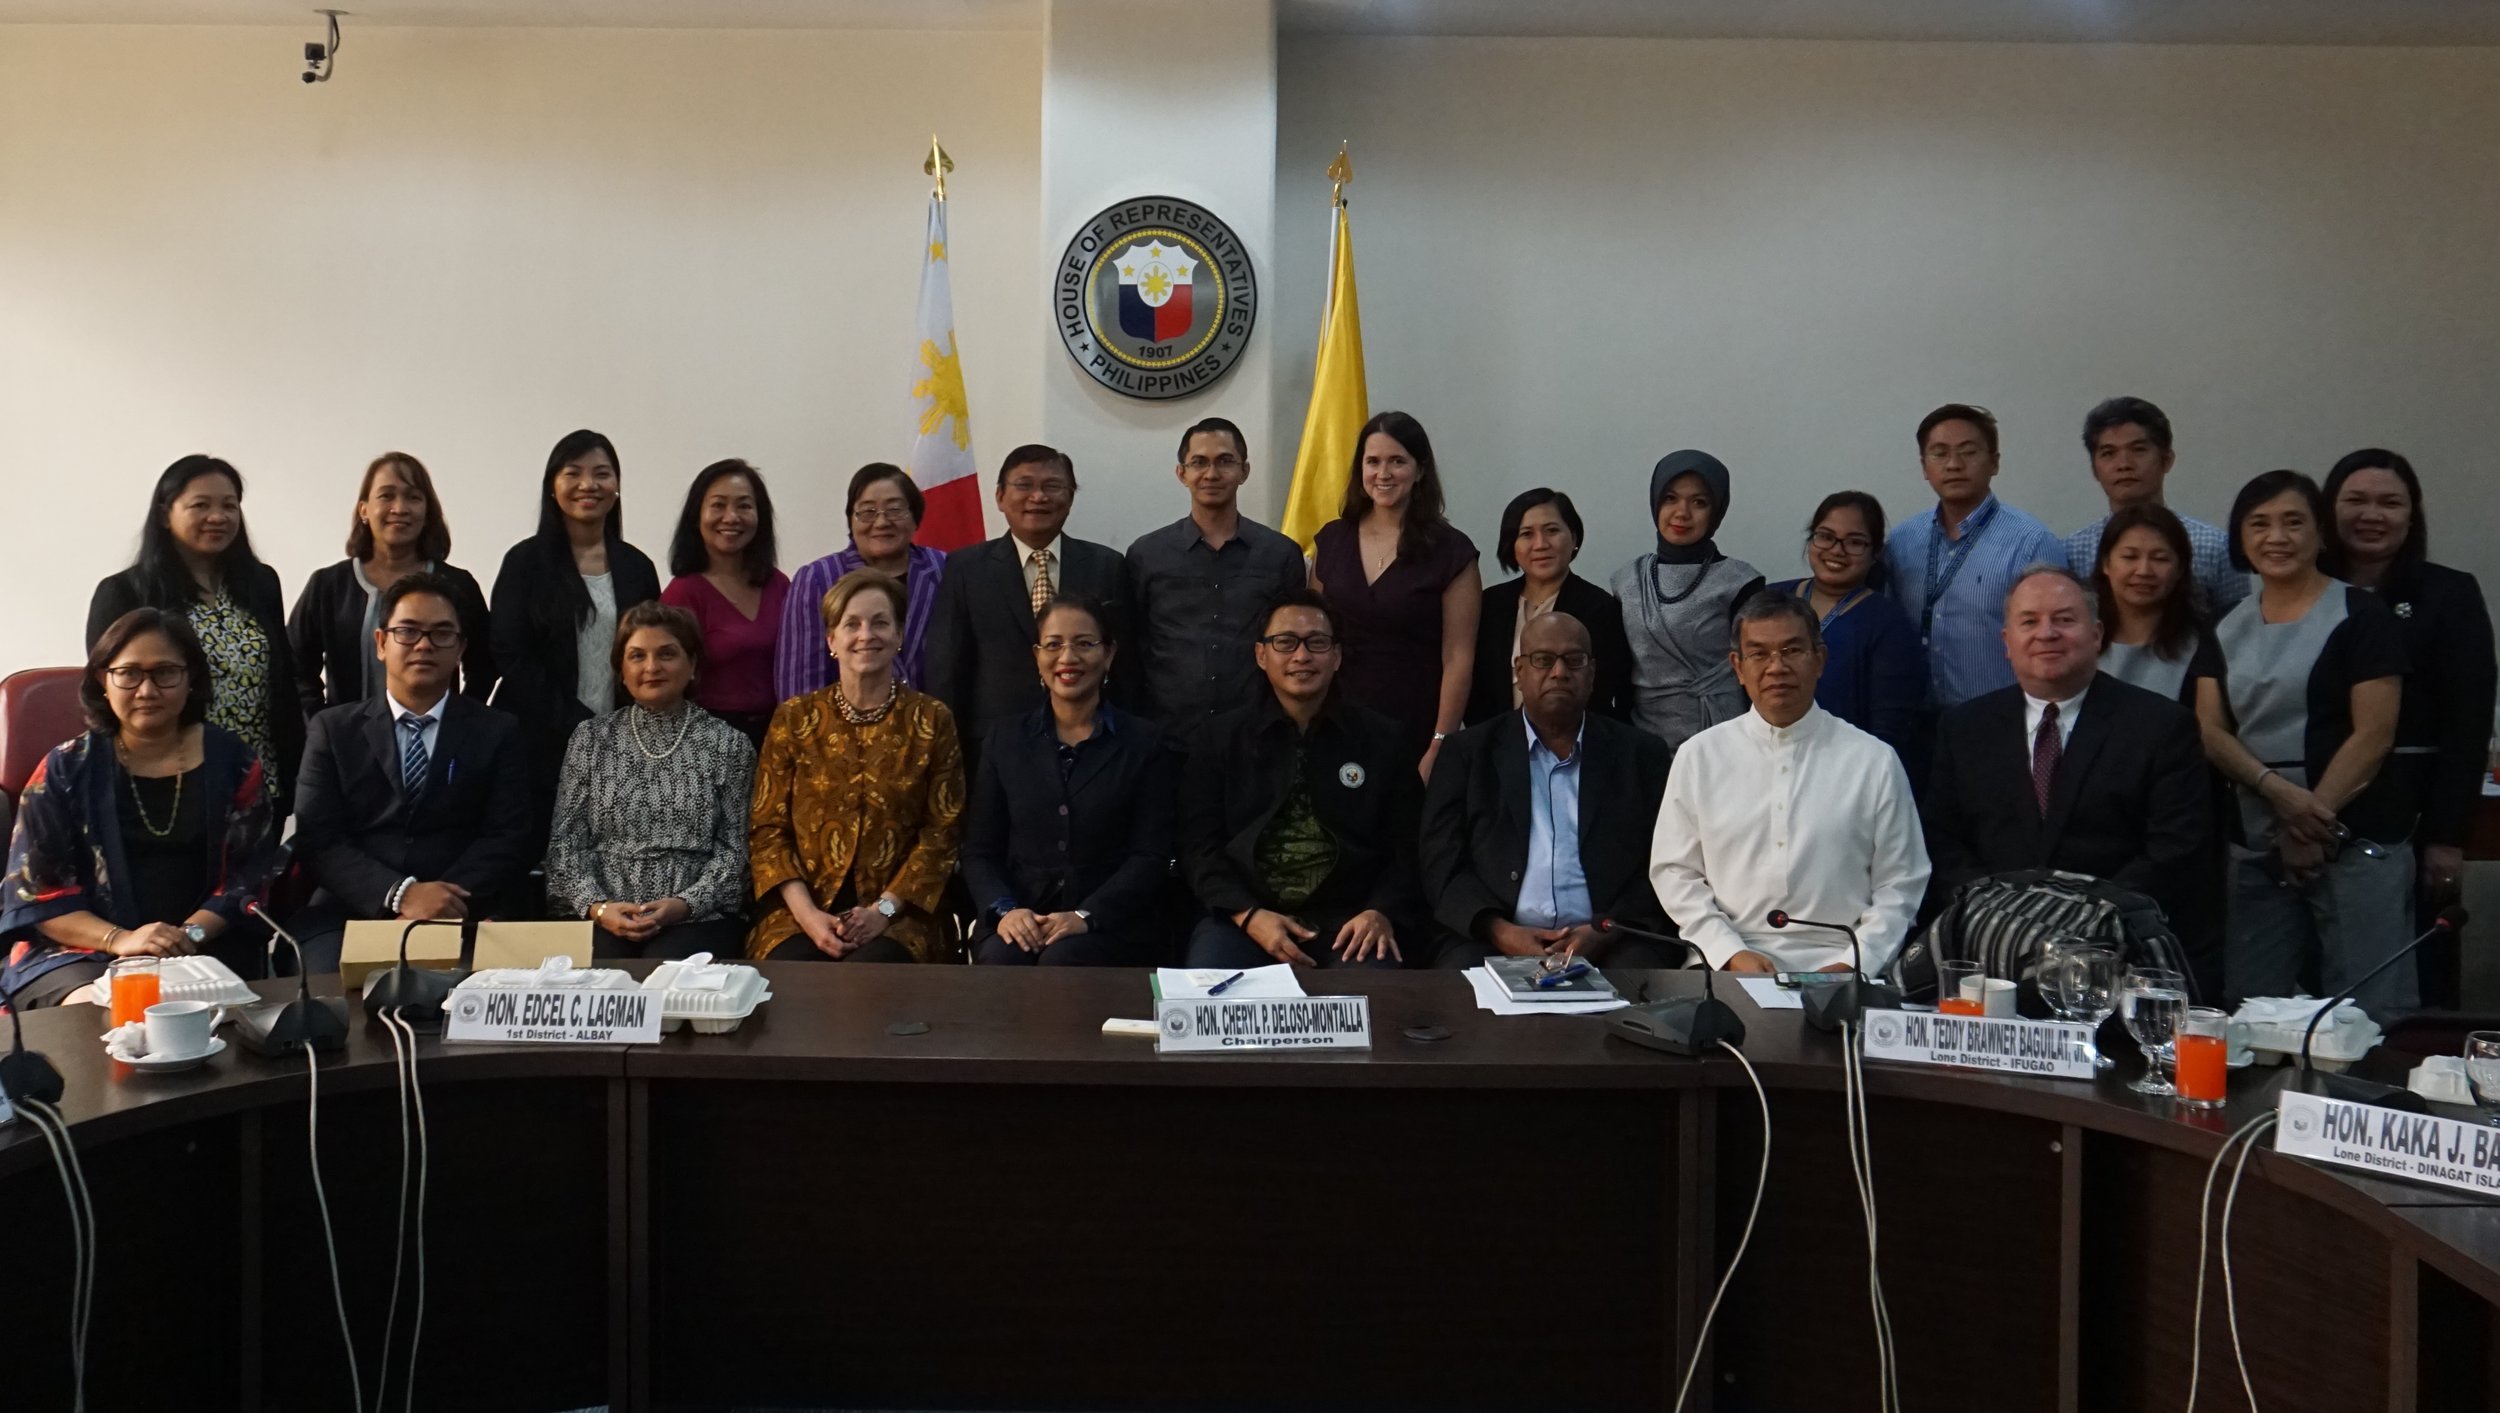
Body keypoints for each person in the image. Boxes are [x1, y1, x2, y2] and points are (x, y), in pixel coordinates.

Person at [1921, 567, 2214, 974]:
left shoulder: (2160, 726)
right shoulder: (1964, 728)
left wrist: (2083, 923)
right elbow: (1943, 841)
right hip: (1991, 952)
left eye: (2064, 619)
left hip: (2119, 955)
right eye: (2029, 621)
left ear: (2096, 634)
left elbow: (2175, 849)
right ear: (2007, 642)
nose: (2047, 633)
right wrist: (2003, 916)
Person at [2197, 470, 2412, 1013]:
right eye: (2260, 524)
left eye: (2294, 522)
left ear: (2320, 534)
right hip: (2257, 839)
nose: (2277, 537)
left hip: (2356, 833)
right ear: (2240, 539)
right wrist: (2280, 796)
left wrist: (2312, 820)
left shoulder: (2363, 616)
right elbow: (2210, 729)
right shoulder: (2224, 627)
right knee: (2252, 1006)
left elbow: (2375, 733)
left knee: (2366, 1010)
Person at [0, 611, 282, 1008]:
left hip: (201, 947)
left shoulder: (234, 762)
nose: (147, 690)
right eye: (129, 673)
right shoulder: (65, 768)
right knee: (105, 1010)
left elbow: (247, 880)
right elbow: (38, 894)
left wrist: (184, 937)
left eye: (165, 673)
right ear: (103, 681)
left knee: (208, 1015)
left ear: (191, 681)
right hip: (80, 952)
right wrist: (123, 941)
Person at [1649, 594, 1930, 974]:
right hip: (1726, 962)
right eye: (1759, 654)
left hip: (1841, 962)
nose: (1776, 667)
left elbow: (1902, 883)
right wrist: (1729, 952)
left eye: (1792, 650)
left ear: (1820, 659)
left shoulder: (1873, 761)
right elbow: (1674, 872)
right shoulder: (1699, 756)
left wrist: (1854, 962)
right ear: (1738, 666)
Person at [289, 572, 534, 971]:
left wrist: (443, 900)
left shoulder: (496, 730)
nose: (423, 645)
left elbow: (508, 834)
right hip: (354, 908)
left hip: (466, 907)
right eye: (408, 631)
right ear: (381, 643)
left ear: (460, 649)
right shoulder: (334, 730)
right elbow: (319, 838)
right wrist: (400, 894)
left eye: (441, 634)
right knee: (326, 994)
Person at [2323, 448, 2496, 1007]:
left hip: (2418, 809)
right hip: (2318, 805)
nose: (2372, 514)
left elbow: (2470, 720)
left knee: (2413, 970)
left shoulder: (2449, 594)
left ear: (2411, 515)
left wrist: (2448, 836)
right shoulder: (2304, 592)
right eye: (2356, 500)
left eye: (2389, 502)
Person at [1179, 588, 1426, 969]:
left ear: (1338, 656)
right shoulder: (1219, 739)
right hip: (1245, 919)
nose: (1301, 656)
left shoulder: (1383, 740)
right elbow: (1199, 847)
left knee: (1372, 1004)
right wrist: (1248, 915)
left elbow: (1409, 848)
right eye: (1285, 642)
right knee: (1210, 1003)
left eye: (1317, 642)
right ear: (1261, 655)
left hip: (1351, 921)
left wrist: (1381, 910)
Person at [1424, 612, 1678, 970]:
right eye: (1543, 660)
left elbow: (1665, 860)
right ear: (1519, 671)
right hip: (1490, 937)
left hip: (1613, 939)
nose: (1559, 672)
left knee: (1644, 988)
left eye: (1573, 661)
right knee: (1461, 987)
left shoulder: (1640, 754)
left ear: (1591, 673)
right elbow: (1440, 860)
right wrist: (1498, 930)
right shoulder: (1467, 753)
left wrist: (1606, 928)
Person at [747, 570, 964, 963]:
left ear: (899, 636)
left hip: (901, 915)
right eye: (852, 624)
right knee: (794, 971)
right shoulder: (794, 718)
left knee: (870, 975)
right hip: (801, 911)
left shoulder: (932, 719)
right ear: (832, 640)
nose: (867, 635)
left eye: (881, 622)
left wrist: (882, 912)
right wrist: (809, 917)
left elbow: (942, 833)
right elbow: (767, 832)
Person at [963, 598, 1176, 966]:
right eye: (1054, 644)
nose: (1068, 657)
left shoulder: (1145, 743)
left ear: (1108, 655)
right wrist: (1007, 911)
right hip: (1021, 914)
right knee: (1003, 958)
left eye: (1084, 643)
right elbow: (980, 852)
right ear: (1037, 655)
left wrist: (1086, 916)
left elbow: (1151, 856)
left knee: (1063, 960)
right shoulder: (1004, 740)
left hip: (1112, 922)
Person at [88, 455, 304, 816]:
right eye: (200, 505)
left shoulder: (261, 583)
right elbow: (106, 694)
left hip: (259, 778)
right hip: (168, 778)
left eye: (229, 506)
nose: (218, 517)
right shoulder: (125, 593)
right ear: (164, 515)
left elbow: (282, 683)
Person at [546, 603, 756, 961]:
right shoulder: (590, 739)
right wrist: (598, 907)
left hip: (697, 917)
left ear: (692, 665)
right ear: (622, 671)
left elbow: (736, 855)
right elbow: (564, 847)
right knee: (604, 978)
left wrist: (683, 905)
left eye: (667, 654)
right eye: (637, 656)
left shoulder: (728, 744)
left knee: (664, 975)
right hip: (601, 915)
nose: (652, 667)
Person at [489, 429, 662, 846]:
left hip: (624, 747)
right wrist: (577, 724)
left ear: (617, 487)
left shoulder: (636, 566)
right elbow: (510, 654)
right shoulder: (524, 562)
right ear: (553, 486)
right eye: (574, 473)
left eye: (602, 473)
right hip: (537, 743)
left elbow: (654, 652)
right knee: (536, 861)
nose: (589, 485)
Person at [1310, 411, 1481, 776]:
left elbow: (1458, 657)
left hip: (1414, 727)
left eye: (1397, 462)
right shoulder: (1332, 540)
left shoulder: (1452, 551)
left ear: (1420, 470)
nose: (1383, 474)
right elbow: (1313, 637)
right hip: (1335, 720)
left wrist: (1441, 741)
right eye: (1372, 462)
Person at [924, 445, 1129, 748]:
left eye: (1052, 486)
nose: (1038, 497)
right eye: (1024, 485)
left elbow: (1126, 664)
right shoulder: (966, 568)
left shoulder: (1107, 566)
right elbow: (947, 667)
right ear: (1000, 497)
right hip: (994, 743)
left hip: (1092, 740)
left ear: (1070, 498)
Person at [1123, 417, 1307, 733]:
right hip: (1167, 737)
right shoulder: (1146, 555)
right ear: (1182, 473)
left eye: (1225, 461)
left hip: (1256, 735)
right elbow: (1132, 647)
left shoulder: (1279, 554)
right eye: (1199, 463)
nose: (1211, 474)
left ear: (1244, 471)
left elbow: (1290, 645)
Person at [287, 451, 495, 717]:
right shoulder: (328, 586)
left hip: (436, 745)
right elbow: (296, 666)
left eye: (413, 497)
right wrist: (323, 723)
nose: (400, 508)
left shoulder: (457, 586)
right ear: (364, 509)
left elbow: (484, 667)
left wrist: (460, 721)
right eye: (386, 496)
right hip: (347, 748)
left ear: (427, 510)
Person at [1886, 403, 2065, 711]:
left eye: (1968, 452)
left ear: (1994, 462)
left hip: (2002, 720)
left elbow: (2056, 645)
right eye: (1940, 453)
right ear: (1924, 467)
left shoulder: (2032, 543)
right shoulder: (1903, 541)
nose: (1954, 464)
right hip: (1916, 722)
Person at [1611, 450, 1764, 750]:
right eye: (1670, 498)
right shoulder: (1627, 580)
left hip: (1725, 738)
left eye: (1699, 502)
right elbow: (1620, 674)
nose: (1682, 513)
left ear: (1717, 511)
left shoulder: (1741, 582)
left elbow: (1756, 670)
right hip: (1643, 744)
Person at [776, 462, 949, 699]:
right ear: (851, 520)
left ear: (914, 517)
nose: (881, 522)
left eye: (895, 510)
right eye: (867, 511)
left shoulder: (945, 569)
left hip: (936, 726)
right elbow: (800, 685)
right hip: (840, 731)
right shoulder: (817, 578)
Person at [2060, 397, 2246, 617]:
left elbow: (2238, 634)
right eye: (2109, 453)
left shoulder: (2216, 547)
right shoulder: (2072, 551)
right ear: (2094, 469)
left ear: (2166, 460)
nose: (2124, 464)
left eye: (2138, 450)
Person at [1767, 491, 1922, 757]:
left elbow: (1889, 730)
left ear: (1875, 553)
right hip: (1767, 756)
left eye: (1854, 542)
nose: (1837, 550)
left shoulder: (1888, 623)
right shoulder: (1770, 601)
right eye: (1826, 536)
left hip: (1846, 767)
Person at [1464, 487, 1633, 725]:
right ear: (1512, 544)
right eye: (1526, 534)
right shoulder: (1489, 605)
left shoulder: (1599, 608)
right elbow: (1475, 688)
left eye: (1552, 531)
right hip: (1495, 747)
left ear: (1573, 538)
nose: (1540, 544)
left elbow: (1604, 692)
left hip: (1576, 747)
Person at [660, 459, 790, 745]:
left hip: (778, 738)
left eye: (744, 506)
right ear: (697, 515)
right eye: (718, 505)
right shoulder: (682, 594)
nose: (731, 517)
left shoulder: (780, 585)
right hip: (707, 741)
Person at [2090, 503, 2212, 706]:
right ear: (2105, 563)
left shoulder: (2205, 646)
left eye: (2160, 558)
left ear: (2180, 568)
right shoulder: (2078, 639)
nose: (2144, 571)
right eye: (2130, 557)